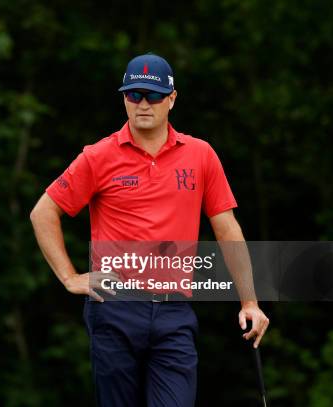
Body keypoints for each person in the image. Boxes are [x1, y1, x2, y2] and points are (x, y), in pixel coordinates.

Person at [30, 53, 269, 406]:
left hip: (174, 311)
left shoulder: (201, 155)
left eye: (153, 95)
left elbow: (227, 229)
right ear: (124, 99)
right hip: (114, 306)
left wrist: (249, 301)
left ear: (172, 99)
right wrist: (69, 277)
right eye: (133, 95)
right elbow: (43, 212)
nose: (143, 104)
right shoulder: (98, 156)